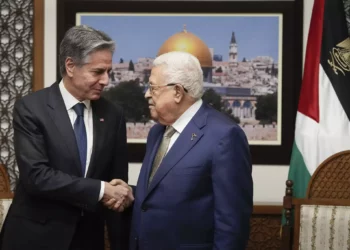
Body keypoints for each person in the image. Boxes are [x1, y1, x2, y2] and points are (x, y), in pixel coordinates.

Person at [0, 25, 134, 250]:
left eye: (108, 71)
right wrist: (101, 190)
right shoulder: (32, 108)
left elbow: (116, 182)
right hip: (35, 238)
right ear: (70, 66)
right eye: (98, 71)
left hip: (88, 239)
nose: (105, 80)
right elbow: (37, 177)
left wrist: (122, 196)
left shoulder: (113, 115)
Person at [129, 51, 253, 250]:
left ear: (177, 92)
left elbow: (232, 224)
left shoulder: (224, 136)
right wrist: (131, 193)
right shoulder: (156, 133)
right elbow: (164, 193)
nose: (147, 94)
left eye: (153, 87)